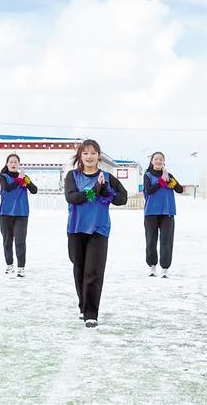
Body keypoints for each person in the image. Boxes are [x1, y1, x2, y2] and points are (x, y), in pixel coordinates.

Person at [65, 139, 128, 328]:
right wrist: (93, 190)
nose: (89, 156)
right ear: (80, 156)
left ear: (98, 156)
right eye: (85, 153)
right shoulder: (73, 176)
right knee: (79, 269)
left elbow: (122, 198)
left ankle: (91, 313)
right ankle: (83, 305)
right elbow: (72, 197)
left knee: (93, 271)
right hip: (76, 229)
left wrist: (106, 190)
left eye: (93, 153)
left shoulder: (107, 177)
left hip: (99, 229)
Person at [0, 154, 38, 277]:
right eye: (11, 162)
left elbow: (34, 190)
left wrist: (27, 181)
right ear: (7, 164)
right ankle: (9, 264)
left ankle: (21, 267)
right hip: (6, 213)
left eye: (15, 162)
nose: (13, 164)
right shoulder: (3, 177)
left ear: (19, 164)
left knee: (20, 241)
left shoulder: (24, 177)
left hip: (21, 213)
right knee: (7, 241)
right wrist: (19, 179)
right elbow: (7, 188)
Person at [143, 152, 184, 278]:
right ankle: (152, 267)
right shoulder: (147, 175)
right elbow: (149, 190)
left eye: (161, 159)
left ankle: (165, 268)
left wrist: (170, 180)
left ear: (163, 161)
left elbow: (180, 189)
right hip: (151, 213)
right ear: (152, 161)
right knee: (151, 240)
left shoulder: (169, 176)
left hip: (167, 212)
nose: (158, 161)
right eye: (156, 159)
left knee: (166, 241)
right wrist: (161, 181)